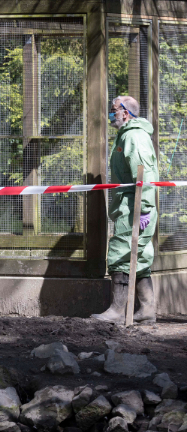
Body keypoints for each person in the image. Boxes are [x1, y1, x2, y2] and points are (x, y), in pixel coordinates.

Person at [91, 96, 159, 324]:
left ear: (125, 112)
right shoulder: (128, 135)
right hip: (131, 205)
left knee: (120, 254)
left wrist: (144, 208)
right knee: (138, 256)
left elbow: (145, 173)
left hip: (135, 207)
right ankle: (148, 310)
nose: (111, 115)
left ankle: (117, 311)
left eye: (113, 110)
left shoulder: (133, 136)